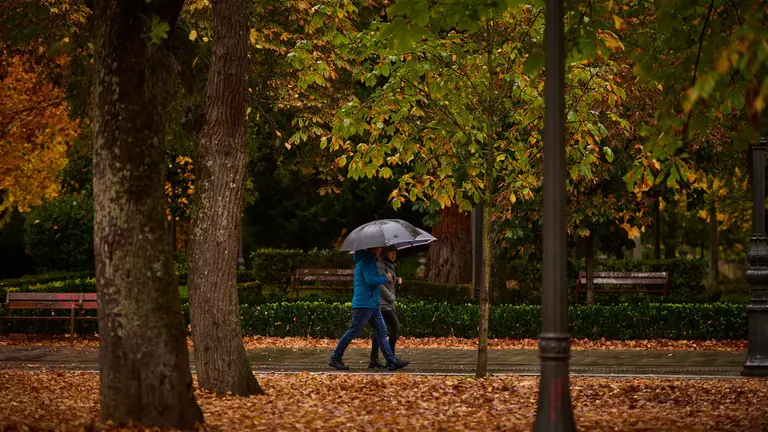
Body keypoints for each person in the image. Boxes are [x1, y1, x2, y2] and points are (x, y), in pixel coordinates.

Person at [328, 246, 410, 371]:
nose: (381, 248)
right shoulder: (367, 260)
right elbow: (370, 281)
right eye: (379, 246)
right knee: (353, 331)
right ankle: (335, 357)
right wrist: (385, 278)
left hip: (372, 303)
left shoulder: (369, 260)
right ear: (374, 248)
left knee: (381, 331)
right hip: (364, 304)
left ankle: (391, 360)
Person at [369, 245, 402, 369]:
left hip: (387, 303)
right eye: (391, 252)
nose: (394, 255)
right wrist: (391, 297)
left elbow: (389, 282)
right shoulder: (381, 265)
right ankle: (391, 358)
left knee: (379, 331)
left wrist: (396, 281)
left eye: (395, 253)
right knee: (395, 326)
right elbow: (380, 284)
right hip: (382, 303)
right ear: (385, 253)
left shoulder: (391, 266)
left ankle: (374, 359)